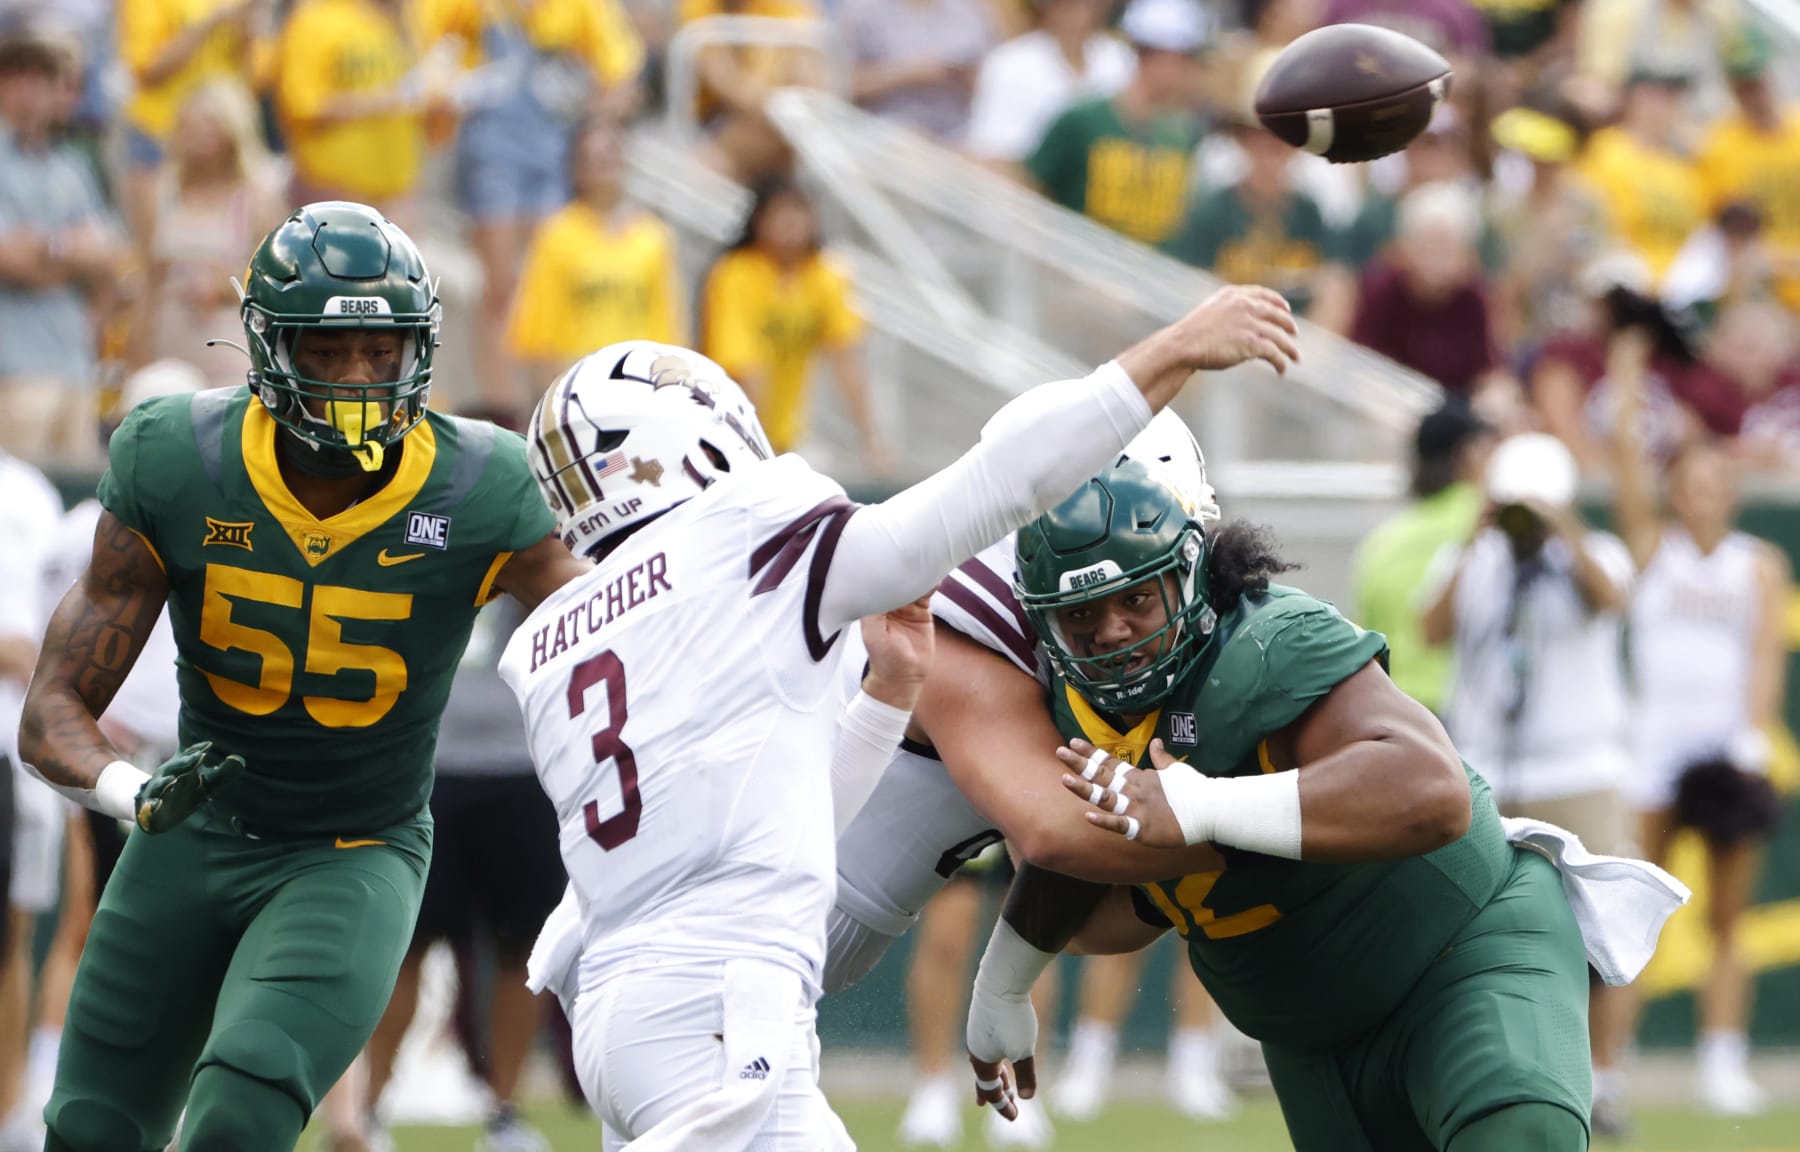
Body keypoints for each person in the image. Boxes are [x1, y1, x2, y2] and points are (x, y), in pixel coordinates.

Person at [510, 284, 1302, 1148]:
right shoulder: (753, 536)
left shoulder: (556, 634)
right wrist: (1177, 347)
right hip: (718, 992)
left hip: (656, 983)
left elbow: (792, 811)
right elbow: (1003, 488)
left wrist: (884, 701)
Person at [15, 200, 594, 1151]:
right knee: (89, 1128)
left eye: (383, 350)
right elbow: (52, 712)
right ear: (269, 343)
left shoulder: (477, 485)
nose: (360, 377)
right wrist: (132, 792)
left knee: (242, 1104)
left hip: (351, 851)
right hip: (190, 833)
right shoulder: (181, 458)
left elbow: (611, 622)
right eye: (328, 349)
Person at [960, 456, 1682, 1151]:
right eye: (1082, 613)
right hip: (1309, 1030)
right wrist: (1002, 986)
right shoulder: (1065, 705)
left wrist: (1208, 808)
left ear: (1186, 573)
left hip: (1455, 957)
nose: (1112, 631)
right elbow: (1078, 865)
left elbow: (1432, 791)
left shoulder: (1266, 642)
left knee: (1516, 1132)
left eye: (1137, 599)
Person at [1422, 430, 1639, 1137]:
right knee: (1464, 928)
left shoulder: (1594, 552)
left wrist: (1561, 530)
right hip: (1487, 763)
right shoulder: (1475, 559)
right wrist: (1474, 537)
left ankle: (1602, 1078)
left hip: (1579, 766)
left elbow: (1609, 598)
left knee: (1597, 933)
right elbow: (1431, 628)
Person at [1611, 329, 1788, 1116]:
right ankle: (1606, 1067)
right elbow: (1622, 462)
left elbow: (1762, 656)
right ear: (1676, 489)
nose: (1703, 492)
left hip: (1722, 750)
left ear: (1732, 490)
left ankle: (1723, 1059)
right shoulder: (1653, 548)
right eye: (1691, 480)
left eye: (1717, 480)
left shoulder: (1759, 563)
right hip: (1650, 751)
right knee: (1630, 915)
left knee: (1726, 916)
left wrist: (1753, 734)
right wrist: (1623, 370)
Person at [416, 0, 643, 414]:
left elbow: (622, 63)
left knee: (548, 282)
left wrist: (594, 114)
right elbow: (426, 45)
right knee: (500, 286)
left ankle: (551, 401)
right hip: (491, 150)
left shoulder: (577, 11)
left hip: (552, 150)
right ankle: (505, 410)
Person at [698, 176, 889, 470]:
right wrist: (758, 446)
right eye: (778, 213)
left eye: (798, 211)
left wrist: (870, 436)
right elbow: (745, 366)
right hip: (728, 433)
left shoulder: (826, 273)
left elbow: (846, 356)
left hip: (788, 437)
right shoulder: (734, 274)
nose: (789, 223)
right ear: (758, 220)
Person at [508, 116, 685, 395]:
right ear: (576, 169)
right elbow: (540, 330)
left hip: (640, 382)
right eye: (592, 159)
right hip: (578, 381)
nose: (604, 168)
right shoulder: (556, 234)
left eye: (610, 156)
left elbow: (668, 326)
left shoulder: (654, 237)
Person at [131, 77, 286, 389]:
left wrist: (224, 283)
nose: (193, 134)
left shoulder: (256, 199)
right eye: (187, 123)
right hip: (169, 338)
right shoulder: (161, 194)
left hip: (228, 341)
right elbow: (148, 279)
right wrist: (136, 352)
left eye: (208, 123)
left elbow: (279, 284)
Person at [1026, 0, 1209, 252]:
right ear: (1155, 56)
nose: (1192, 74)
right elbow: (1032, 190)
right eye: (1187, 61)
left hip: (1150, 282)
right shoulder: (1082, 119)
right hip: (1076, 277)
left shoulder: (1184, 136)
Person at [1351, 400, 1494, 717]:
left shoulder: (1379, 544)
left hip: (1400, 711)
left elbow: (1364, 641)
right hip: (1473, 713)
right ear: (1470, 456)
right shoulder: (1491, 523)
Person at [964, 0, 1136, 172]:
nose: (1080, 15)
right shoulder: (1009, 63)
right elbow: (992, 150)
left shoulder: (1120, 59)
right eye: (1069, 5)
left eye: (1089, 4)